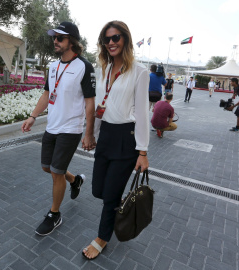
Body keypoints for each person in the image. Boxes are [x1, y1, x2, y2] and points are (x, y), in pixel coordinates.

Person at [82, 20, 149, 260]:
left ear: (126, 40)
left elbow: (142, 113)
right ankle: (115, 199)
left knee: (108, 196)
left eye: (116, 37)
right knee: (99, 189)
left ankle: (102, 238)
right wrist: (90, 133)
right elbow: (101, 106)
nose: (111, 42)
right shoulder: (103, 69)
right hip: (106, 135)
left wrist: (142, 152)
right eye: (107, 39)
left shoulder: (139, 71)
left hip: (126, 138)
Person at [21, 21, 96, 236]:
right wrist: (33, 116)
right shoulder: (53, 67)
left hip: (71, 128)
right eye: (54, 37)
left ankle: (54, 214)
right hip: (51, 126)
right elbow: (47, 94)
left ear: (71, 41)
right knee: (48, 167)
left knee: (56, 171)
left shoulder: (84, 66)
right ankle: (75, 180)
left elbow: (90, 101)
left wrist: (88, 132)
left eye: (60, 37)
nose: (55, 40)